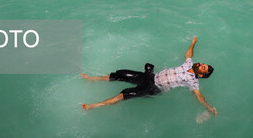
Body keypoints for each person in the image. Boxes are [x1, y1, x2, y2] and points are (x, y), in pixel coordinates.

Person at [81, 36, 217, 115]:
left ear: (201, 74)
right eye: (202, 64)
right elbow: (188, 54)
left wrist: (209, 107)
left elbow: (199, 96)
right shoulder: (189, 64)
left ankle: (93, 106)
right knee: (120, 74)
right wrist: (193, 43)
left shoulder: (193, 82)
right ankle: (93, 79)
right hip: (150, 77)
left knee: (123, 95)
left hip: (153, 88)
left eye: (202, 67)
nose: (200, 64)